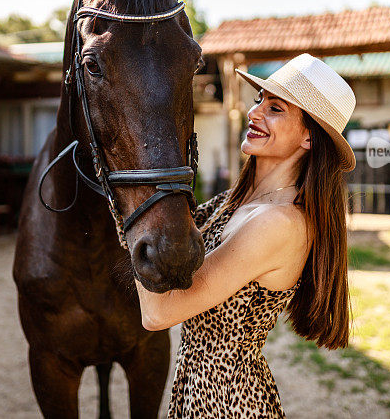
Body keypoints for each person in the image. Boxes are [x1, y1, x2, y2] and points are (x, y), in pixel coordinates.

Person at [134, 53, 357, 418]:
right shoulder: (234, 202)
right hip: (198, 390)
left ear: (308, 137)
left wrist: (136, 207)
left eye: (276, 109)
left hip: (228, 402)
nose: (254, 113)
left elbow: (159, 313)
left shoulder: (281, 223)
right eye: (259, 101)